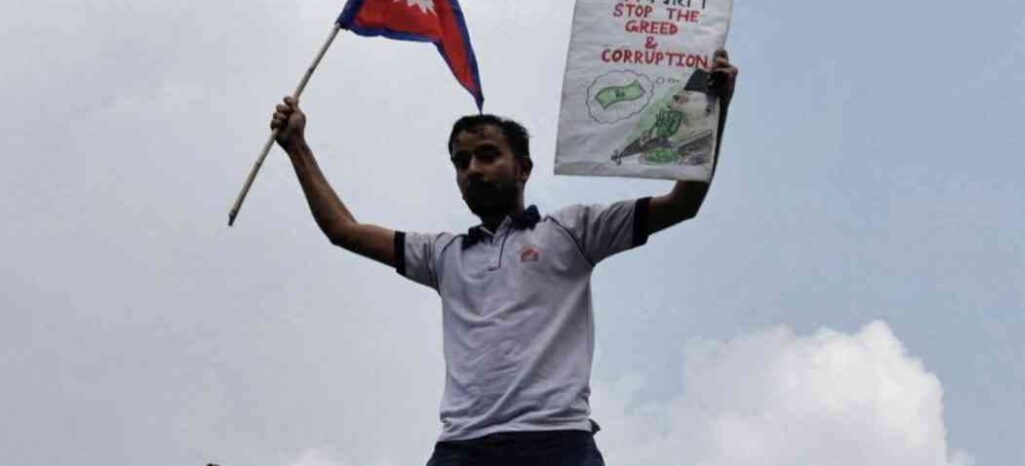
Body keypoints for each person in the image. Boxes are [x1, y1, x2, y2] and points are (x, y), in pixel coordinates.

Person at [270, 49, 739, 466]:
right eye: (461, 161)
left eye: (487, 155)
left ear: (524, 167)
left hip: (556, 442)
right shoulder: (441, 254)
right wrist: (297, 147)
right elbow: (343, 230)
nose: (472, 169)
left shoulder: (572, 232)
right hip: (463, 446)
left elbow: (681, 204)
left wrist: (713, 111)